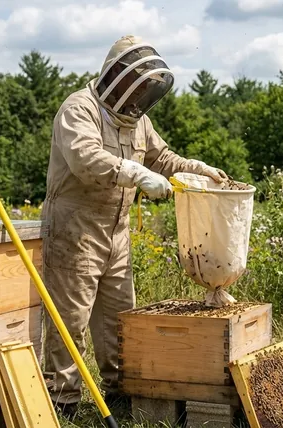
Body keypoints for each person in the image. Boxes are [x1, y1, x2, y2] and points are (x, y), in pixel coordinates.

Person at [41, 35, 228, 419]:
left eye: (145, 90)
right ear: (117, 78)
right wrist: (134, 173)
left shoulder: (139, 122)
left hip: (117, 233)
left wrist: (199, 169)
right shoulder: (79, 109)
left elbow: (163, 158)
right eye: (136, 88)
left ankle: (119, 394)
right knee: (70, 319)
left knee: (118, 319)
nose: (139, 98)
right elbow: (85, 158)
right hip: (74, 231)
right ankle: (63, 402)